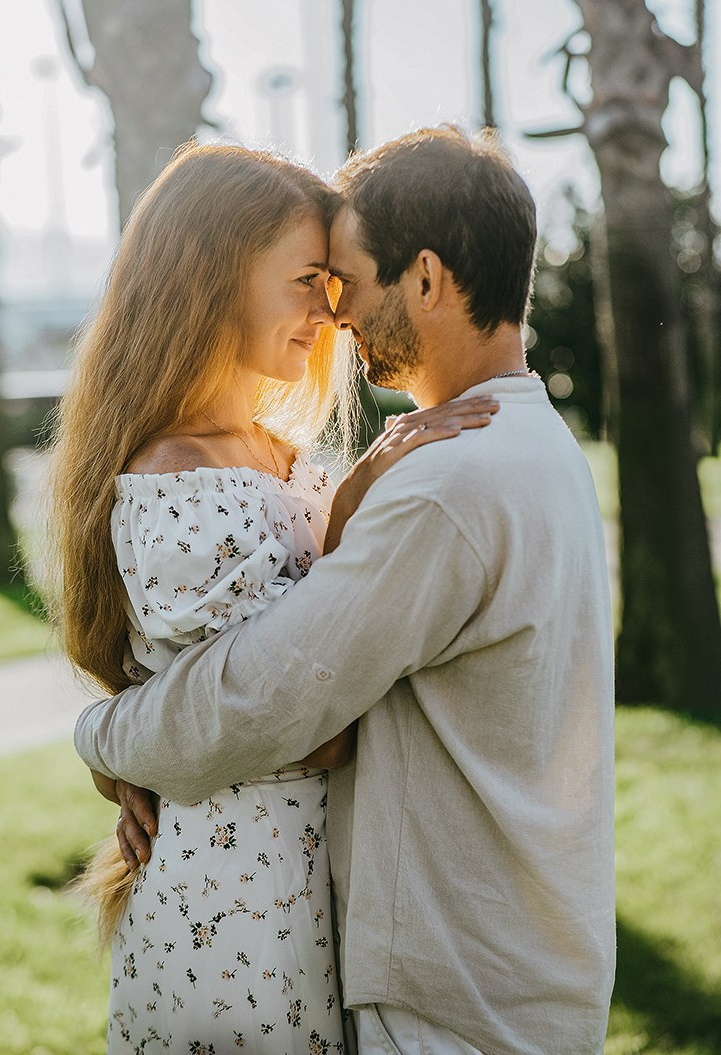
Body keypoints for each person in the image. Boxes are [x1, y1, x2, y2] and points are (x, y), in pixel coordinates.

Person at [74, 125, 616, 1055]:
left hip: (457, 996)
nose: (340, 313)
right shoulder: (532, 444)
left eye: (349, 280)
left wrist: (102, 736)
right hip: (501, 971)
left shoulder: (449, 484)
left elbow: (268, 705)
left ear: (429, 279)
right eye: (318, 283)